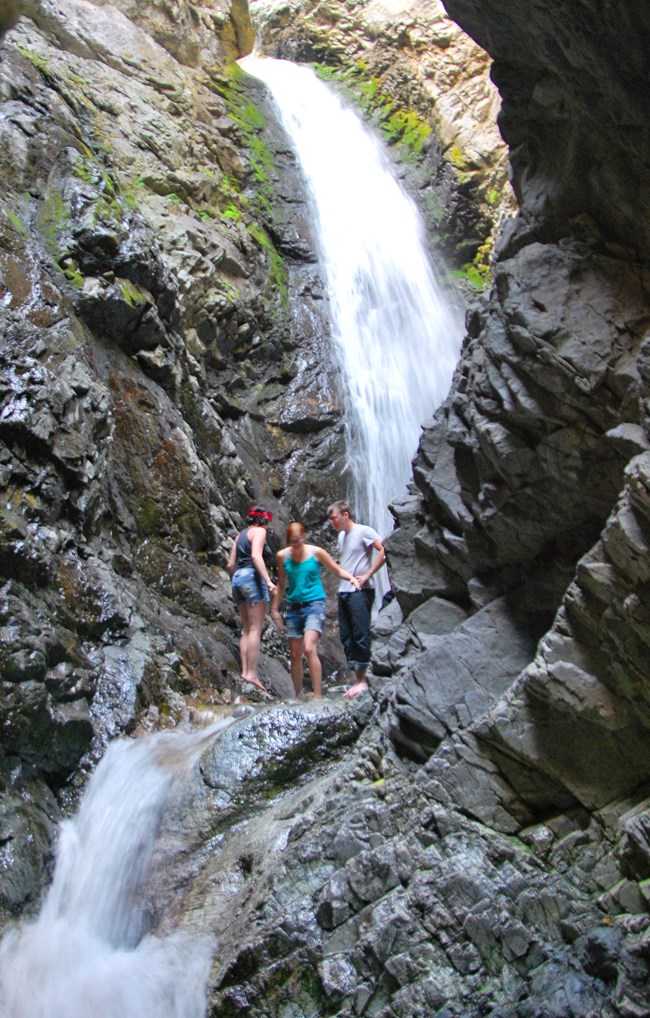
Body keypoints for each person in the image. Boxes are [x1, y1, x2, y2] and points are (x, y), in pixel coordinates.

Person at [271, 521, 360, 700]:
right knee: (295, 655)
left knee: (310, 648)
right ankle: (298, 696)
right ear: (288, 541)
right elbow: (281, 584)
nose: (297, 544)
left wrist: (352, 578)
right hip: (294, 607)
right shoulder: (282, 556)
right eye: (293, 541)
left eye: (299, 540)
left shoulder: (316, 553)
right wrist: (274, 609)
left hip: (315, 604)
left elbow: (336, 569)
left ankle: (318, 696)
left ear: (304, 537)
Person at [327, 500, 386, 698]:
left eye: (334, 518)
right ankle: (358, 679)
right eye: (331, 520)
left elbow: (384, 549)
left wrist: (369, 574)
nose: (333, 522)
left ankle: (363, 681)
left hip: (361, 591)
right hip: (344, 591)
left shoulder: (364, 531)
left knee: (361, 633)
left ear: (345, 514)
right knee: (346, 636)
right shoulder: (341, 537)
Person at [227, 506, 278, 693]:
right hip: (252, 578)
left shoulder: (239, 535)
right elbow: (256, 555)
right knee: (256, 628)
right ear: (263, 521)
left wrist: (236, 581)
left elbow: (230, 564)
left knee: (246, 629)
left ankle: (244, 671)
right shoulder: (259, 532)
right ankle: (252, 674)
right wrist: (268, 581)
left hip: (238, 579)